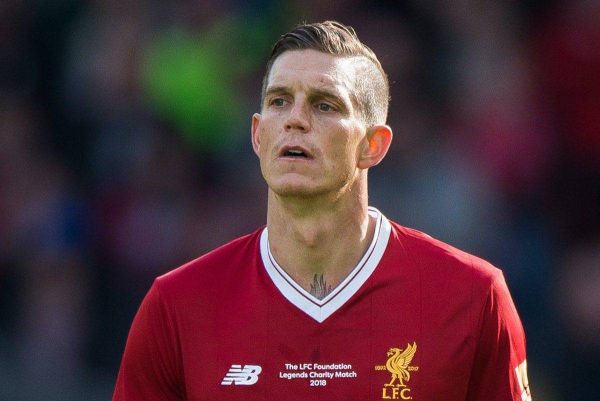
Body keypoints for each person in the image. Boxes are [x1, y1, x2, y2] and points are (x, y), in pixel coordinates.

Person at [112, 21, 532, 401]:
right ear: (258, 136)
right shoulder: (177, 306)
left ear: (373, 146)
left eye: (324, 105)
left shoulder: (474, 297)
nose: (295, 119)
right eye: (279, 101)